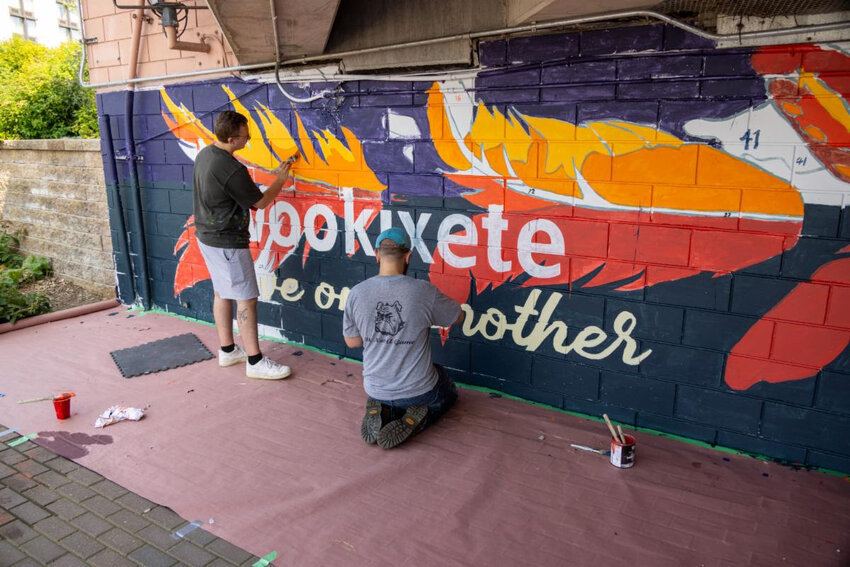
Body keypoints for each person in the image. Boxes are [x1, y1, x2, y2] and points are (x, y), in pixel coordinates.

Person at [193, 110, 295, 380]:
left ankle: (228, 350)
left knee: (222, 292)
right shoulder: (230, 168)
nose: (248, 140)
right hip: (228, 243)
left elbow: (233, 186)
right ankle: (255, 360)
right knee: (247, 299)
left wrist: (268, 176)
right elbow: (259, 203)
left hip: (207, 236)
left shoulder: (207, 154)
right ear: (230, 138)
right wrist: (280, 182)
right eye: (244, 137)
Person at [342, 227, 464, 448]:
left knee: (408, 382)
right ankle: (418, 417)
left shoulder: (356, 293)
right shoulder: (424, 291)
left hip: (375, 387)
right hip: (418, 392)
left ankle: (384, 409)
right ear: (408, 256)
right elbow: (457, 317)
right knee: (446, 386)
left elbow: (352, 342)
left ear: (377, 255)